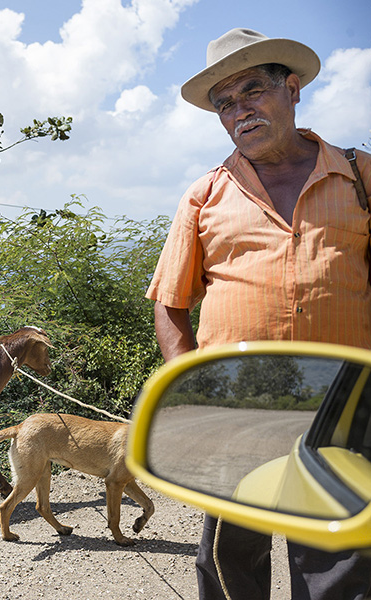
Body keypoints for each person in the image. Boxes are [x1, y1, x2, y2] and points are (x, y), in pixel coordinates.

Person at [146, 28, 371, 600]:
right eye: (225, 103)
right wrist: (188, 390)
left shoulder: (363, 176)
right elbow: (171, 304)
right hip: (237, 405)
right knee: (231, 556)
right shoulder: (204, 195)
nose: (239, 110)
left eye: (252, 91)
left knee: (337, 555)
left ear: (291, 89)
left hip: (344, 403)